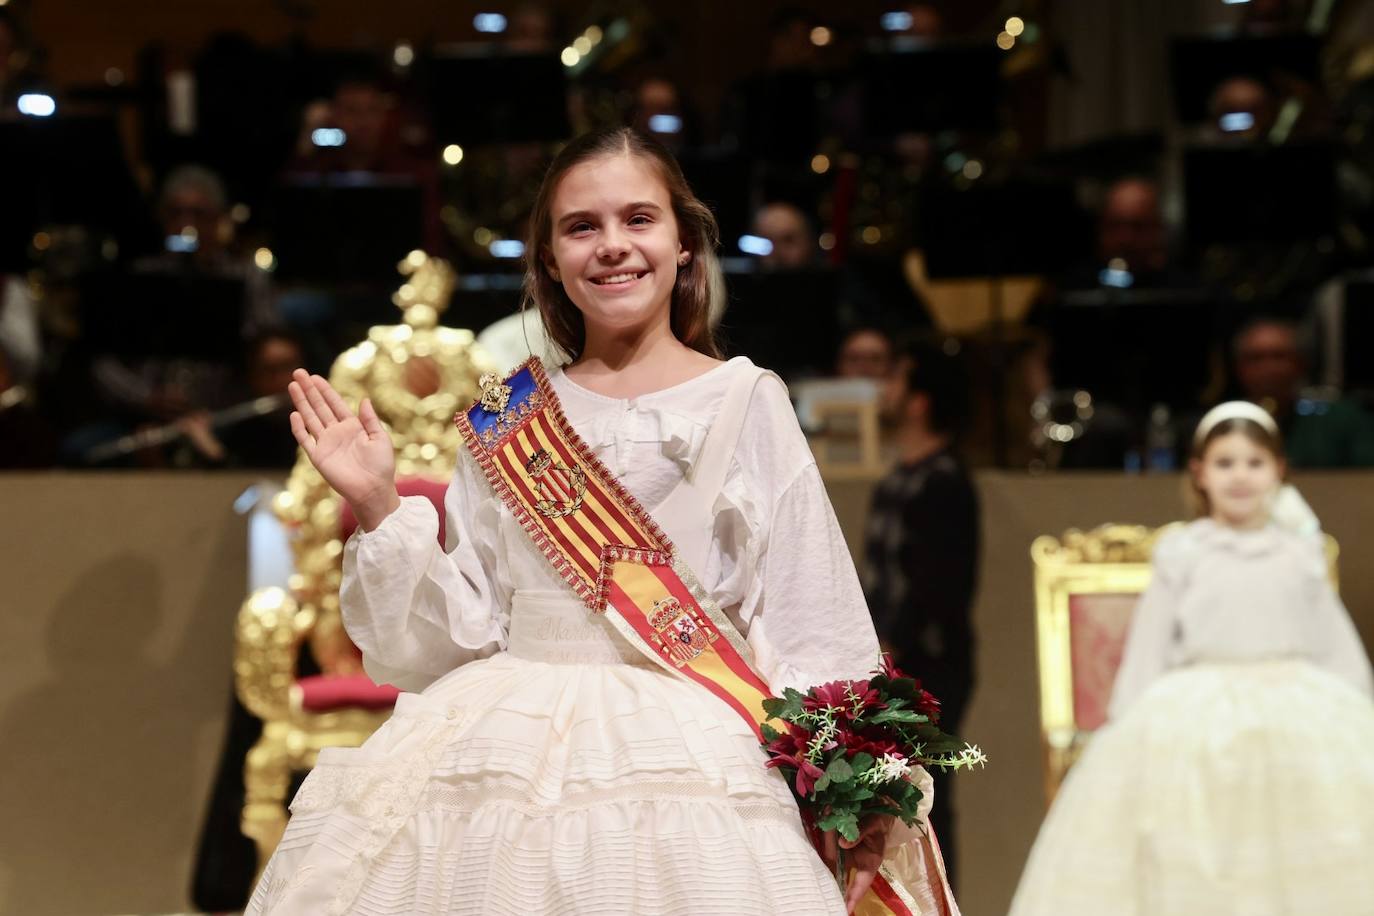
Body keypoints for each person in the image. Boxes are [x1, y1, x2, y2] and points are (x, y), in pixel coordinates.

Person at [247, 128, 956, 915]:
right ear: (549, 256)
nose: (612, 246)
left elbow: (808, 606)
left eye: (638, 220)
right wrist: (380, 503)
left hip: (697, 746)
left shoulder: (745, 398)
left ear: (685, 242)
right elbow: (454, 639)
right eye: (582, 227)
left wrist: (853, 784)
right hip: (503, 741)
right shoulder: (506, 414)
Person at [1009, 401, 1374, 916]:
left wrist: (1356, 720)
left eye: (1254, 462)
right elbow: (1150, 646)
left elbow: (1336, 644)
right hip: (1201, 708)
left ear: (1279, 469)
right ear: (1200, 473)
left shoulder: (1300, 552)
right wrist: (1124, 732)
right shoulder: (1184, 551)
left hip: (1297, 706)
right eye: (1225, 463)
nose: (1240, 476)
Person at [864, 343, 978, 891]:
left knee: (931, 794)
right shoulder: (896, 479)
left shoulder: (946, 482)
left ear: (919, 402)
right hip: (890, 661)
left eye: (895, 381)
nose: (883, 392)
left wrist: (895, 648)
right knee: (885, 790)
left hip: (929, 665)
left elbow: (940, 587)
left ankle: (940, 898)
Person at [1228, 317, 1374, 468]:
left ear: (1301, 363)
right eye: (1256, 358)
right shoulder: (1224, 422)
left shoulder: (1344, 419)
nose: (1268, 367)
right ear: (1239, 367)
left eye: (1279, 356)